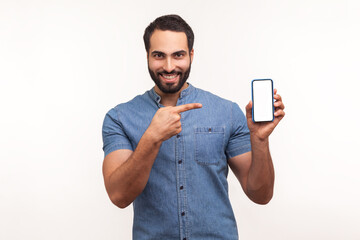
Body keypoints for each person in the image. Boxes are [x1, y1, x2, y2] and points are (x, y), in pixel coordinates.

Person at [102, 14, 285, 240]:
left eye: (178, 55)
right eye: (159, 56)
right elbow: (119, 196)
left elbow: (261, 195)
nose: (169, 66)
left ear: (191, 55)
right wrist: (151, 137)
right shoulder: (120, 118)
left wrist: (259, 140)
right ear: (147, 56)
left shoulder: (226, 112)